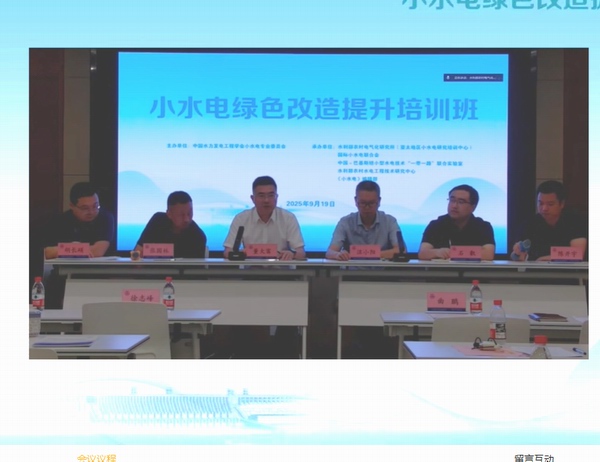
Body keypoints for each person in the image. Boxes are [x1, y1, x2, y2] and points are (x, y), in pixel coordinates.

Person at [223, 176, 306, 260]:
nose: (266, 200)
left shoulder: (288, 218)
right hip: (250, 268)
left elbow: (301, 253)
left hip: (281, 267)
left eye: (271, 195)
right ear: (253, 198)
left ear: (276, 197)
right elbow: (227, 251)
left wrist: (292, 254)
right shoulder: (241, 219)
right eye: (261, 196)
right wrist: (239, 254)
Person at [326, 180, 406, 261]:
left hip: (381, 268)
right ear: (356, 201)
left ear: (379, 201)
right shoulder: (345, 222)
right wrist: (337, 255)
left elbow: (401, 251)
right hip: (352, 268)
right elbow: (330, 252)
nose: (367, 207)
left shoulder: (389, 221)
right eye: (363, 203)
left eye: (371, 203)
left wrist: (366, 254)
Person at [512, 180, 587, 261]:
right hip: (536, 269)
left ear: (562, 204)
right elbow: (516, 257)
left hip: (567, 269)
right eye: (540, 203)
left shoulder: (576, 222)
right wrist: (517, 253)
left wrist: (542, 259)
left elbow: (577, 254)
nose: (544, 208)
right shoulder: (529, 224)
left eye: (550, 204)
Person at [418, 184, 495, 261]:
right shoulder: (436, 225)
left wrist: (453, 253)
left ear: (473, 207)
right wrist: (437, 252)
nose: (454, 206)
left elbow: (488, 254)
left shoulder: (483, 226)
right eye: (452, 200)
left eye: (461, 202)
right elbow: (422, 253)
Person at [43, 182, 115, 259]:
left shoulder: (105, 218)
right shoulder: (59, 221)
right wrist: (76, 249)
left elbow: (98, 251)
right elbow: (47, 252)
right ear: (72, 206)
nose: (91, 212)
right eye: (85, 208)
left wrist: (70, 249)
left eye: (95, 206)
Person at [134, 191, 207, 258]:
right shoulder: (157, 221)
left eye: (189, 213)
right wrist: (135, 260)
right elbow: (137, 253)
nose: (186, 219)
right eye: (181, 215)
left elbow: (194, 267)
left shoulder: (198, 237)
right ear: (169, 214)